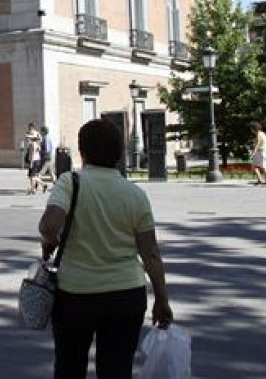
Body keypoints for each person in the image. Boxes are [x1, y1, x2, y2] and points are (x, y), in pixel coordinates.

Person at [38, 119, 173, 378]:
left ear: (82, 151)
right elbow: (151, 254)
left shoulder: (70, 182)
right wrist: (162, 300)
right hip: (127, 293)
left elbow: (48, 227)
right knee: (117, 370)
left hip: (76, 293)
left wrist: (50, 245)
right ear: (119, 153)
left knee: (69, 366)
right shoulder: (135, 194)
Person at [249, 121, 266, 187]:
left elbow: (257, 144)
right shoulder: (263, 133)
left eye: (251, 129)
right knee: (254, 166)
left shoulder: (259, 134)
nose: (251, 130)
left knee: (263, 167)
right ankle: (260, 180)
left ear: (254, 128)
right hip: (262, 152)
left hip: (261, 152)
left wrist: (253, 153)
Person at [25, 125, 44, 195]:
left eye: (28, 138)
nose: (27, 139)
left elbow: (32, 155)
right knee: (32, 176)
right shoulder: (35, 144)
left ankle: (32, 189)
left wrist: (31, 163)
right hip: (36, 160)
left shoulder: (33, 145)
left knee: (32, 176)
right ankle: (43, 185)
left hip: (34, 161)